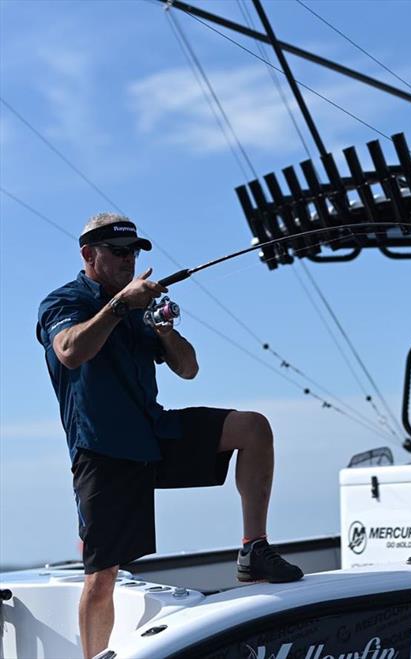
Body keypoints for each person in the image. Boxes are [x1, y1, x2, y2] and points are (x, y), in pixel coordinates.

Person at [36, 212, 303, 659]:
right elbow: (69, 352)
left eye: (134, 251)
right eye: (119, 252)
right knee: (102, 577)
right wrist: (121, 305)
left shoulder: (140, 309)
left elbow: (189, 369)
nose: (129, 259)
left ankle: (253, 550)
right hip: (104, 448)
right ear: (89, 255)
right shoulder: (64, 302)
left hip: (155, 432)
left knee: (253, 427)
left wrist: (163, 330)